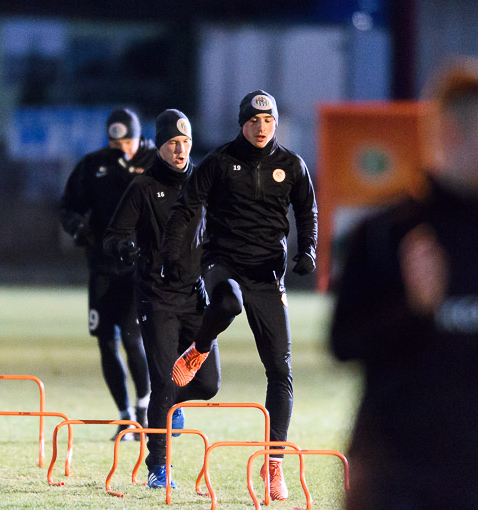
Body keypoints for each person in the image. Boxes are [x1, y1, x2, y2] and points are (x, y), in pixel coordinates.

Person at [329, 56, 478, 510]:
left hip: (477, 479)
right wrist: (414, 308)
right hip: (389, 482)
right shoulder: (386, 233)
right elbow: (344, 344)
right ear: (453, 133)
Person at [162, 91, 318, 501]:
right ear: (242, 123)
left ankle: (273, 464)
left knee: (281, 370)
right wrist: (171, 254)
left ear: (276, 123)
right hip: (222, 263)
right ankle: (198, 350)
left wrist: (308, 250)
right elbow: (185, 208)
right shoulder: (218, 162)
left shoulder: (292, 165)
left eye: (268, 121)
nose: (261, 128)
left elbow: (307, 211)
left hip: (267, 277)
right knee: (227, 301)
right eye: (253, 121)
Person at [104, 109, 220, 489]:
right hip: (156, 298)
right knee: (163, 382)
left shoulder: (203, 183)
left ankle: (171, 404)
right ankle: (157, 465)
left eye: (185, 142)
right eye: (173, 143)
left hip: (195, 297)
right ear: (160, 146)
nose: (180, 150)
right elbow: (113, 236)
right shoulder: (143, 187)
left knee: (208, 383)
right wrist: (125, 248)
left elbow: (219, 228)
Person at [58, 108, 153, 440]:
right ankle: (125, 416)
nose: (121, 149)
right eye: (115, 143)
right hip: (101, 267)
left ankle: (144, 411)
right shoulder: (93, 165)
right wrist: (78, 228)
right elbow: (68, 206)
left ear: (138, 137)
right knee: (106, 342)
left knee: (132, 338)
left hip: (139, 270)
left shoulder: (154, 161)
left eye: (127, 142)